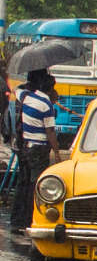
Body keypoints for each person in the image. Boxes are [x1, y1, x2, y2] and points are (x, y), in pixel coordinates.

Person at [10, 70, 61, 234]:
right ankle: (31, 219)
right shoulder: (46, 105)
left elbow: (16, 88)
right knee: (36, 185)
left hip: (25, 147)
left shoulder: (26, 96)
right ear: (49, 89)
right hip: (39, 150)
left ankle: (17, 221)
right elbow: (50, 132)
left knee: (22, 183)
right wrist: (57, 152)